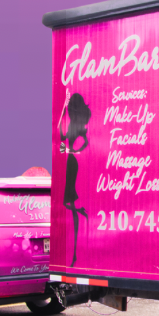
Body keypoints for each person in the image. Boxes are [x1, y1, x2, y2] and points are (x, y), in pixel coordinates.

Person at [58, 92, 91, 266]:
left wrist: (71, 152)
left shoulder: (77, 126)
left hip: (71, 163)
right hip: (68, 162)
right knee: (68, 204)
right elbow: (61, 134)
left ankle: (81, 211)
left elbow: (84, 143)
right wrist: (64, 107)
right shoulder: (72, 124)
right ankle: (81, 211)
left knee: (67, 203)